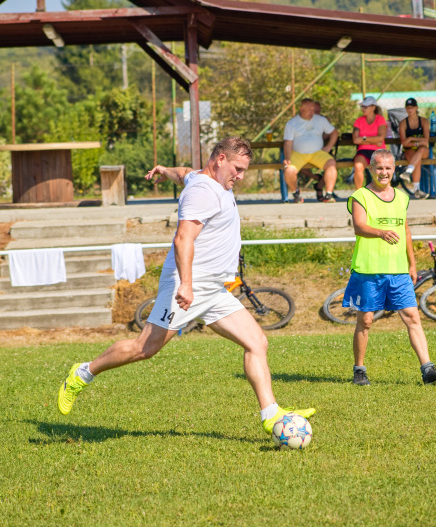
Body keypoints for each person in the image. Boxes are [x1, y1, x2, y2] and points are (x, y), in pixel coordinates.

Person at [57, 136, 315, 435]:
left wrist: (164, 169)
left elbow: (183, 173)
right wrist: (187, 285)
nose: (241, 177)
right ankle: (82, 373)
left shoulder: (203, 179)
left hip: (213, 288)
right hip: (189, 285)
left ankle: (271, 415)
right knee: (144, 348)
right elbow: (183, 239)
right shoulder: (203, 193)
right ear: (220, 159)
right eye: (238, 168)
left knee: (257, 342)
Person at [342, 149, 436, 386]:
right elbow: (359, 227)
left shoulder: (402, 197)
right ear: (371, 168)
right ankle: (359, 370)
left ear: (394, 169)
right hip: (369, 269)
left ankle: (428, 370)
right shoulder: (361, 196)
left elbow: (406, 231)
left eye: (388, 168)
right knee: (366, 320)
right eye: (379, 167)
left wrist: (412, 264)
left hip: (398, 270)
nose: (384, 172)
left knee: (412, 316)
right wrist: (380, 232)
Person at [283, 97, 338, 203]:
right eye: (309, 110)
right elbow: (287, 143)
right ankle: (296, 194)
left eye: (313, 109)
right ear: (302, 109)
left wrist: (329, 147)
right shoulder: (291, 123)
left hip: (317, 153)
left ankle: (329, 194)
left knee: (331, 163)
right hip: (298, 154)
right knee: (289, 169)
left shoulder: (320, 120)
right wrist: (287, 158)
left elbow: (334, 132)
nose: (312, 112)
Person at [397, 98, 430, 199]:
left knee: (421, 151)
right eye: (408, 108)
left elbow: (426, 141)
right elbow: (404, 143)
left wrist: (411, 139)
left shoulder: (424, 121)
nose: (410, 110)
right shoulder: (403, 123)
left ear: (416, 108)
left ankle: (408, 172)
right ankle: (417, 189)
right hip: (409, 151)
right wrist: (417, 143)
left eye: (412, 107)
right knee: (416, 159)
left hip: (423, 150)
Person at [351, 96, 388, 189]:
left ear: (373, 107)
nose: (363, 109)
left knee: (382, 170)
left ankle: (386, 193)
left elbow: (381, 137)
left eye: (365, 106)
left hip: (379, 151)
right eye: (362, 106)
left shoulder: (380, 119)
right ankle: (359, 193)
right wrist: (373, 141)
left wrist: (363, 139)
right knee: (358, 166)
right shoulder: (359, 121)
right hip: (363, 151)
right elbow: (355, 140)